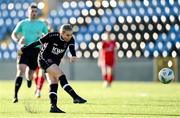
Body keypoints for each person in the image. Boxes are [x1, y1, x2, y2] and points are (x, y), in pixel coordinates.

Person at [19, 24, 87, 113]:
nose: (69, 37)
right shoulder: (52, 36)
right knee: (61, 76)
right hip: (44, 59)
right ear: (61, 33)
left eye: (71, 35)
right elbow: (37, 43)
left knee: (54, 83)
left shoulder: (71, 39)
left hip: (54, 62)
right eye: (67, 35)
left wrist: (73, 55)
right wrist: (23, 49)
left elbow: (71, 48)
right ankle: (75, 97)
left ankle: (53, 107)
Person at [11, 4, 48, 102]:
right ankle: (15, 96)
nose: (34, 13)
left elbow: (47, 36)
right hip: (24, 49)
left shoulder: (41, 24)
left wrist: (43, 39)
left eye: (35, 11)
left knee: (30, 74)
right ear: (28, 12)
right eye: (32, 11)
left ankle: (28, 80)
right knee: (20, 71)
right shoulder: (23, 23)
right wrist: (18, 40)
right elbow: (13, 34)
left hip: (36, 50)